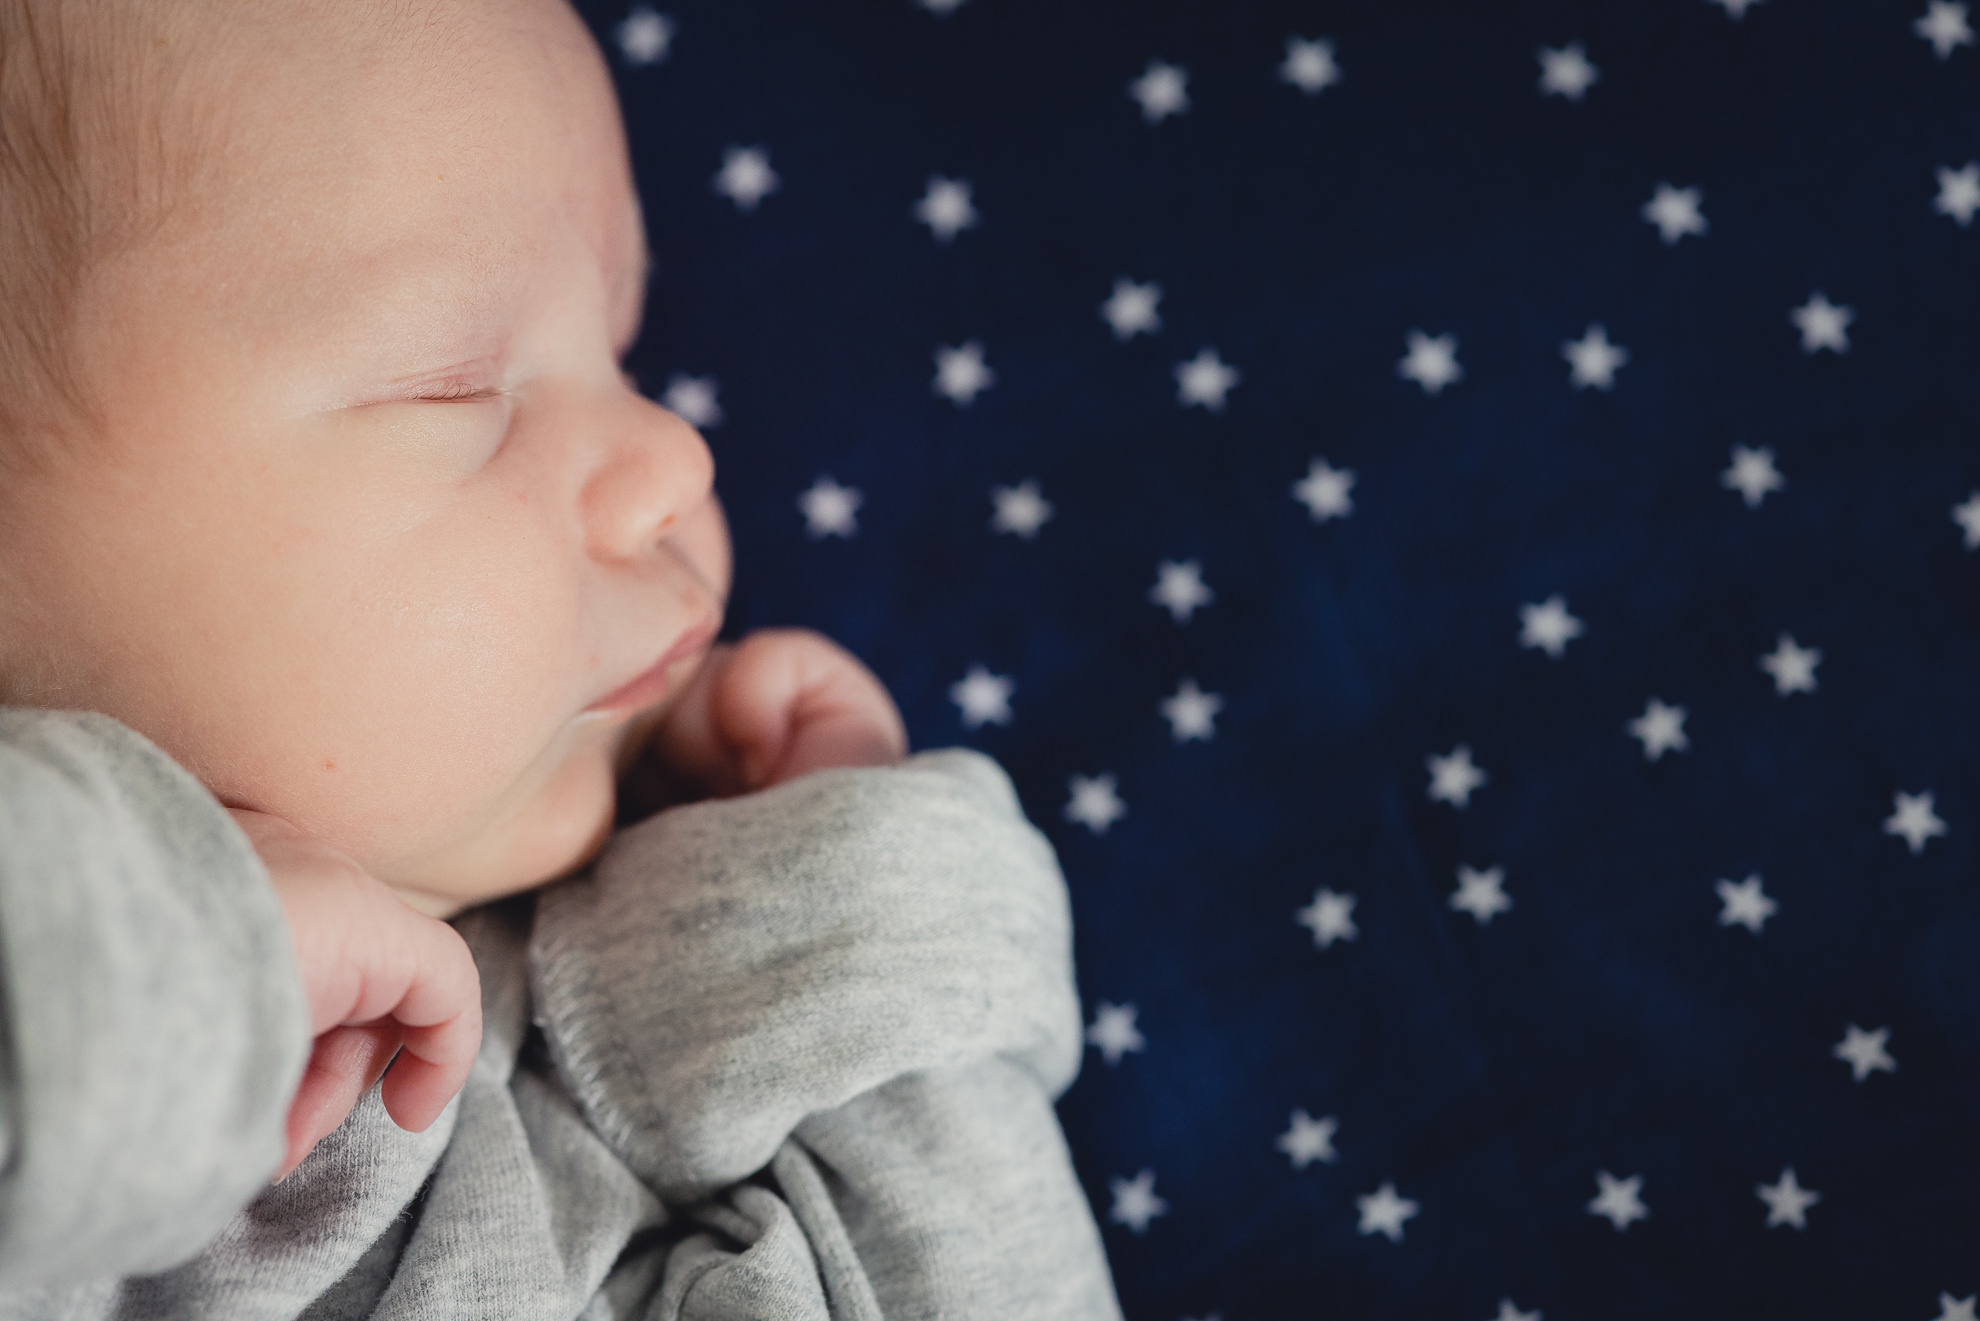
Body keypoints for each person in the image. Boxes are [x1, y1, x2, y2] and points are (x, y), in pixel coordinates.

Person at [0, 1, 1123, 1316]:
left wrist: (830, 931)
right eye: (455, 382)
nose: (676, 455)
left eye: (624, 346)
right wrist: (174, 953)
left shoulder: (607, 1049)